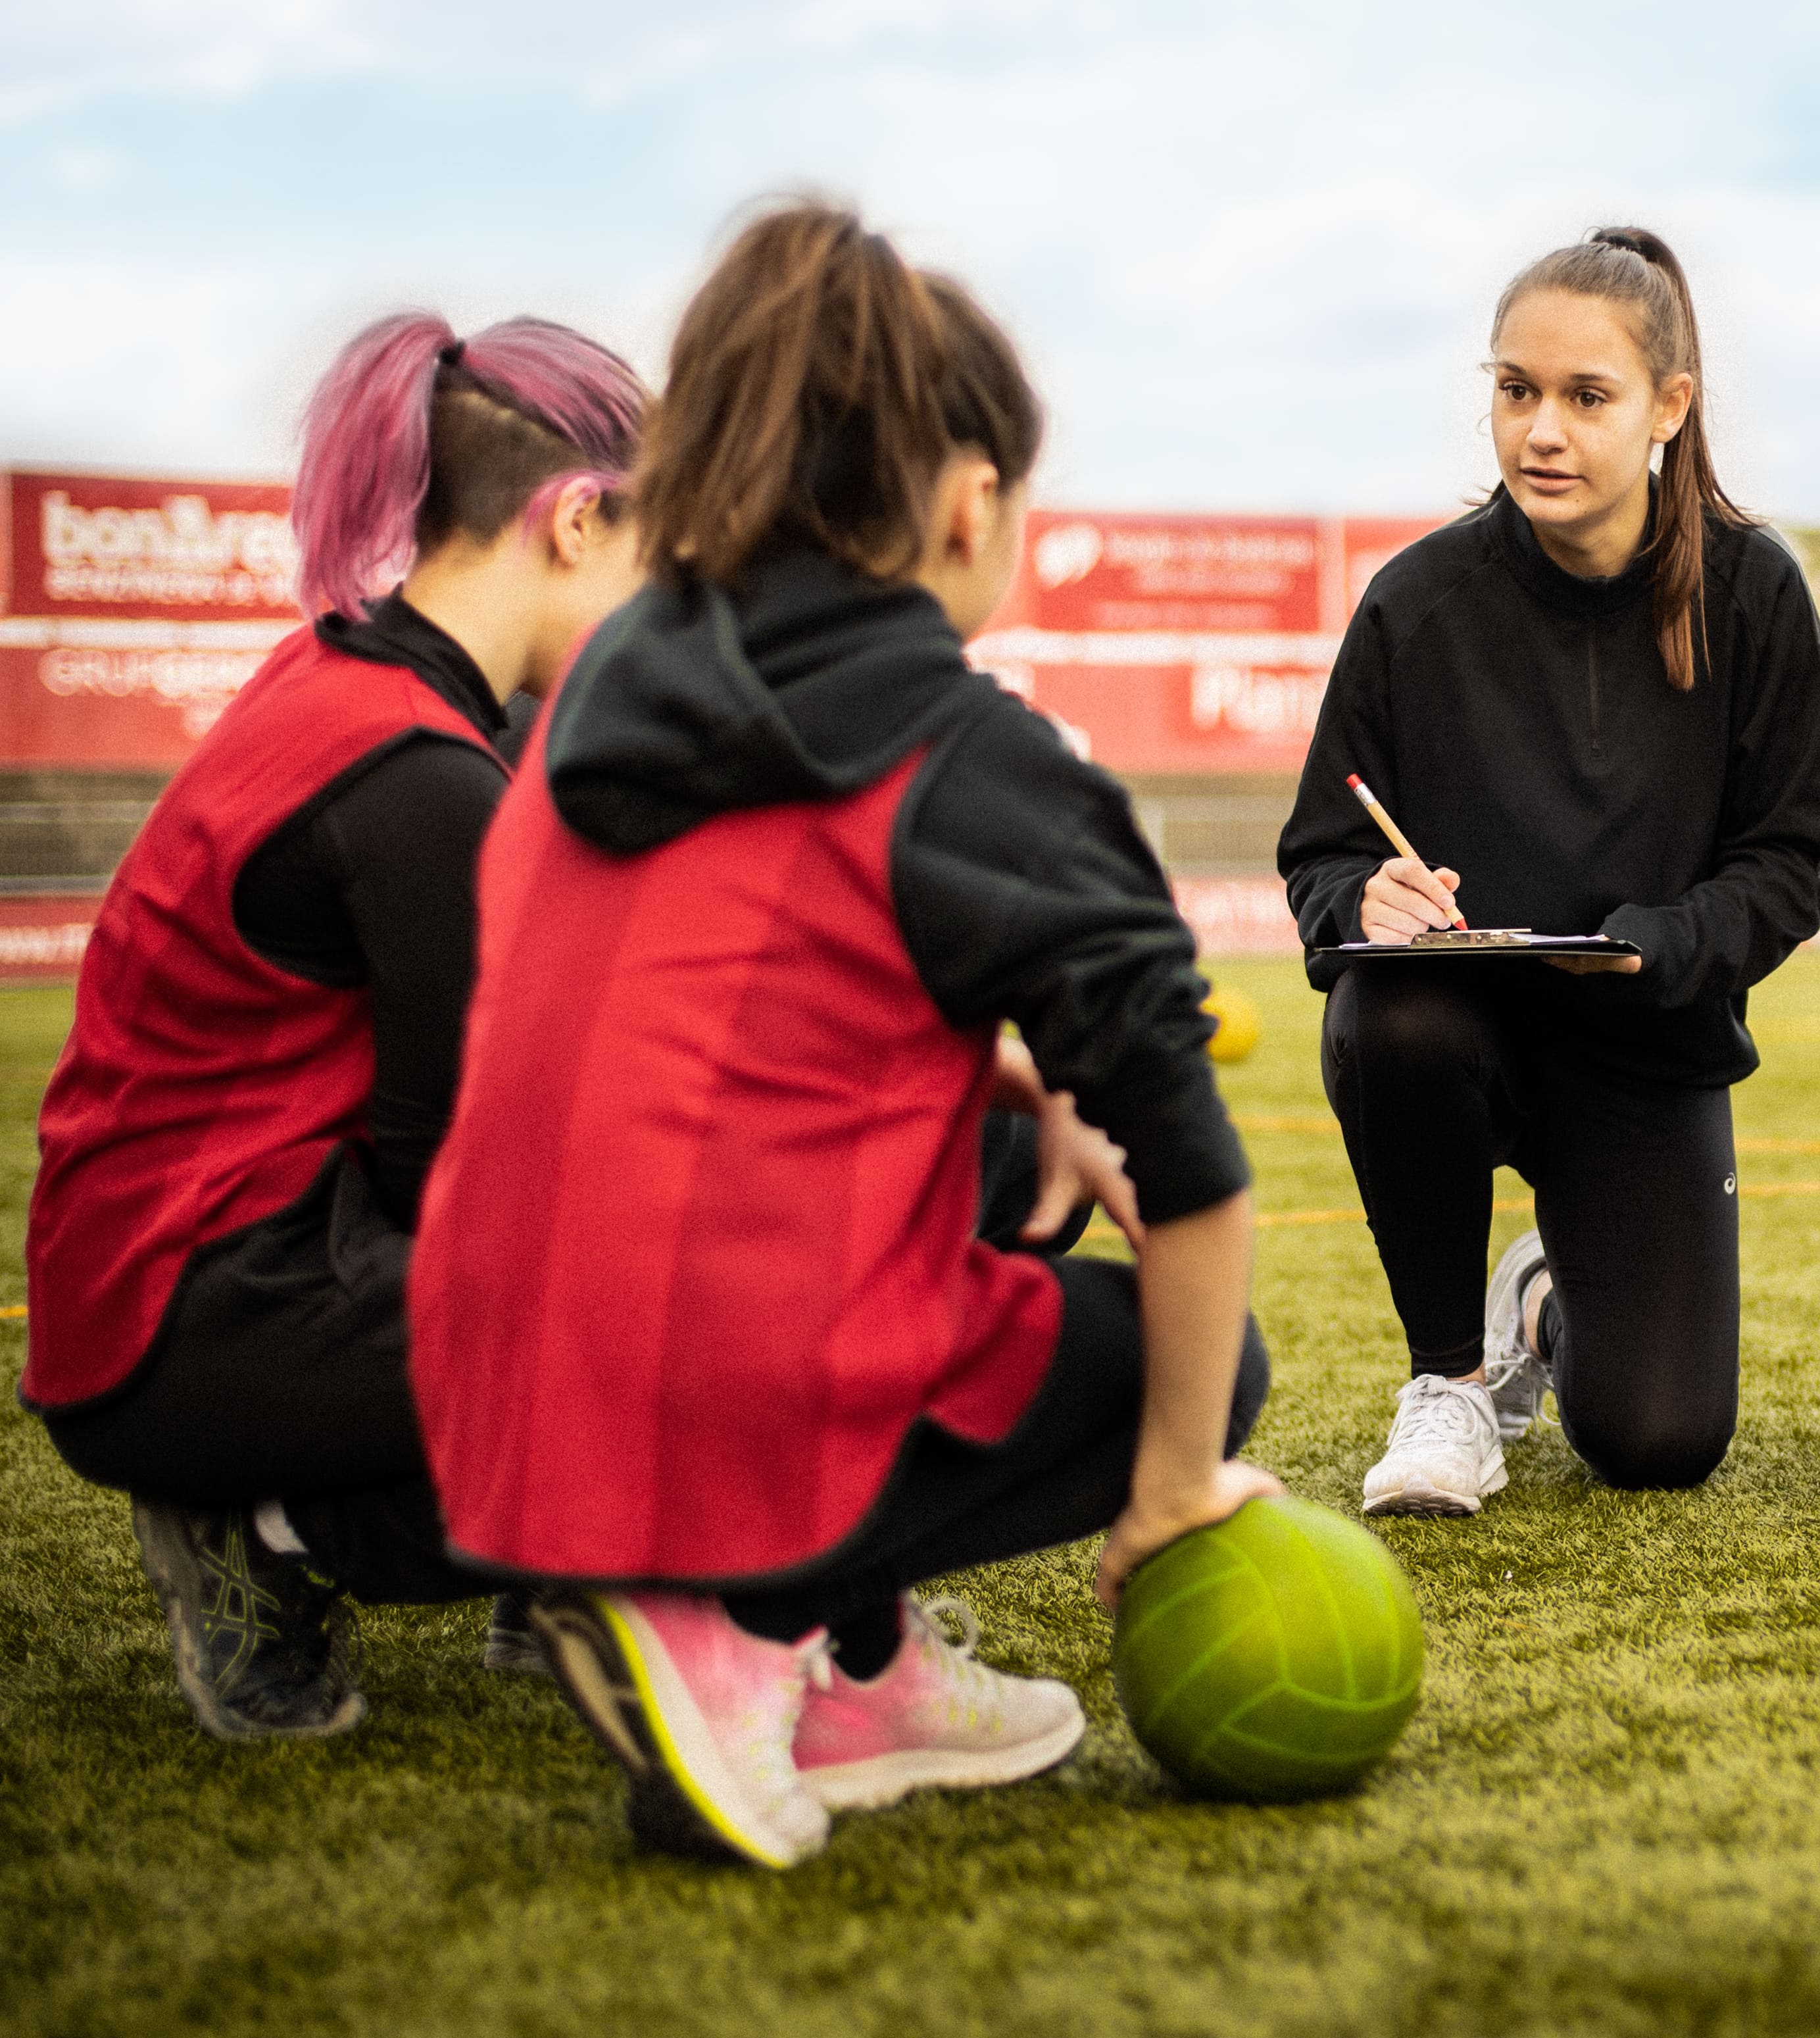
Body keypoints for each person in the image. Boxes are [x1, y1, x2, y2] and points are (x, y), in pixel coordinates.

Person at [408, 201, 1273, 1870]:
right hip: (698, 1393)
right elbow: (1194, 1165)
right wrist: (1172, 1492)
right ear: (970, 504)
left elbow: (738, 1001)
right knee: (1207, 1359)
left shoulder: (602, 682)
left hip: (474, 1380)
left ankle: (856, 1670)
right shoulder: (981, 761)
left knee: (1010, 1145)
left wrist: (1015, 1082)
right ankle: (736, 1611)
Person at [22, 313, 647, 1741]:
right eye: (654, 555)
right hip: (198, 1315)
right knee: (693, 1323)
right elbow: (466, 1173)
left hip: (184, 1274)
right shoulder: (415, 774)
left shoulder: (360, 686)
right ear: (574, 519)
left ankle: (518, 1559)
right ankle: (279, 1527)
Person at [1277, 226, 1820, 1517]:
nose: (1540, 429)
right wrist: (1355, 898)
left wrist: (1671, 939)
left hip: (1645, 1039)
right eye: (1513, 388)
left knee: (1659, 1441)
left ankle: (1537, 1300)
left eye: (1584, 397)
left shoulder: (1753, 593)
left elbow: (1800, 852)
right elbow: (1324, 844)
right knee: (1389, 1014)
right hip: (1456, 1028)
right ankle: (1447, 1381)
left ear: (1667, 406)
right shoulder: (1413, 605)